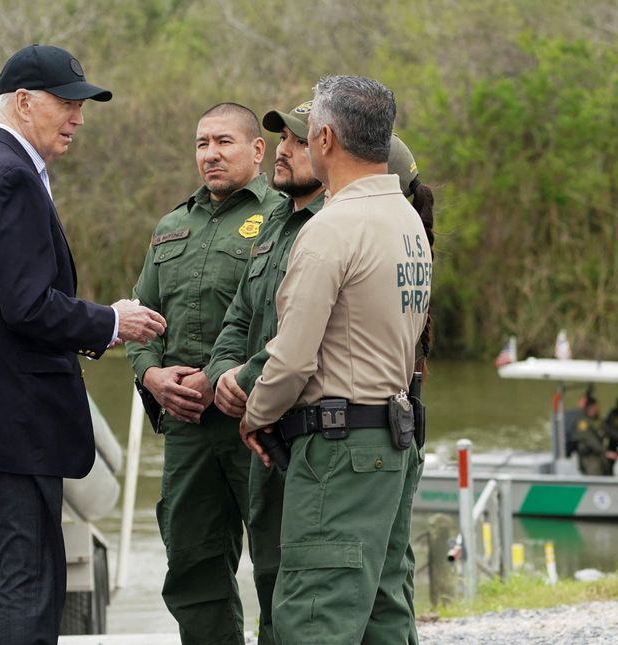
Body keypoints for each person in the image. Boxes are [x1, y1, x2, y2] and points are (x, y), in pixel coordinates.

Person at [0, 44, 166, 644]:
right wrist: (109, 321)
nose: (78, 116)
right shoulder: (10, 177)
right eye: (68, 103)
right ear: (24, 103)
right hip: (14, 413)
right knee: (29, 577)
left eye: (82, 105)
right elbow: (27, 305)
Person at [205, 95, 433, 642]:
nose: (291, 147)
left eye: (302, 137)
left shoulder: (333, 227)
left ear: (326, 139)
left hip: (336, 450)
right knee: (382, 612)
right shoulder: (406, 221)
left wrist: (255, 413)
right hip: (390, 440)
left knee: (314, 617)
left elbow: (293, 355)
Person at [126, 102, 283, 644]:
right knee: (192, 565)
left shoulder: (286, 216)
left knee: (277, 564)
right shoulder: (171, 226)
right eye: (201, 144)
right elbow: (139, 320)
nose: (210, 155)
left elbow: (295, 321)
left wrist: (226, 379)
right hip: (186, 429)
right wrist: (151, 377)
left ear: (257, 150)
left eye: (224, 142)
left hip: (257, 422)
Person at [575, 397, 618, 476]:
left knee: (609, 471)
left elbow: (607, 429)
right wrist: (605, 452)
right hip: (590, 457)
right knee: (597, 475)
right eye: (595, 407)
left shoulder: (596, 420)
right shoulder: (583, 423)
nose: (597, 409)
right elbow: (591, 440)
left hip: (599, 454)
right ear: (590, 408)